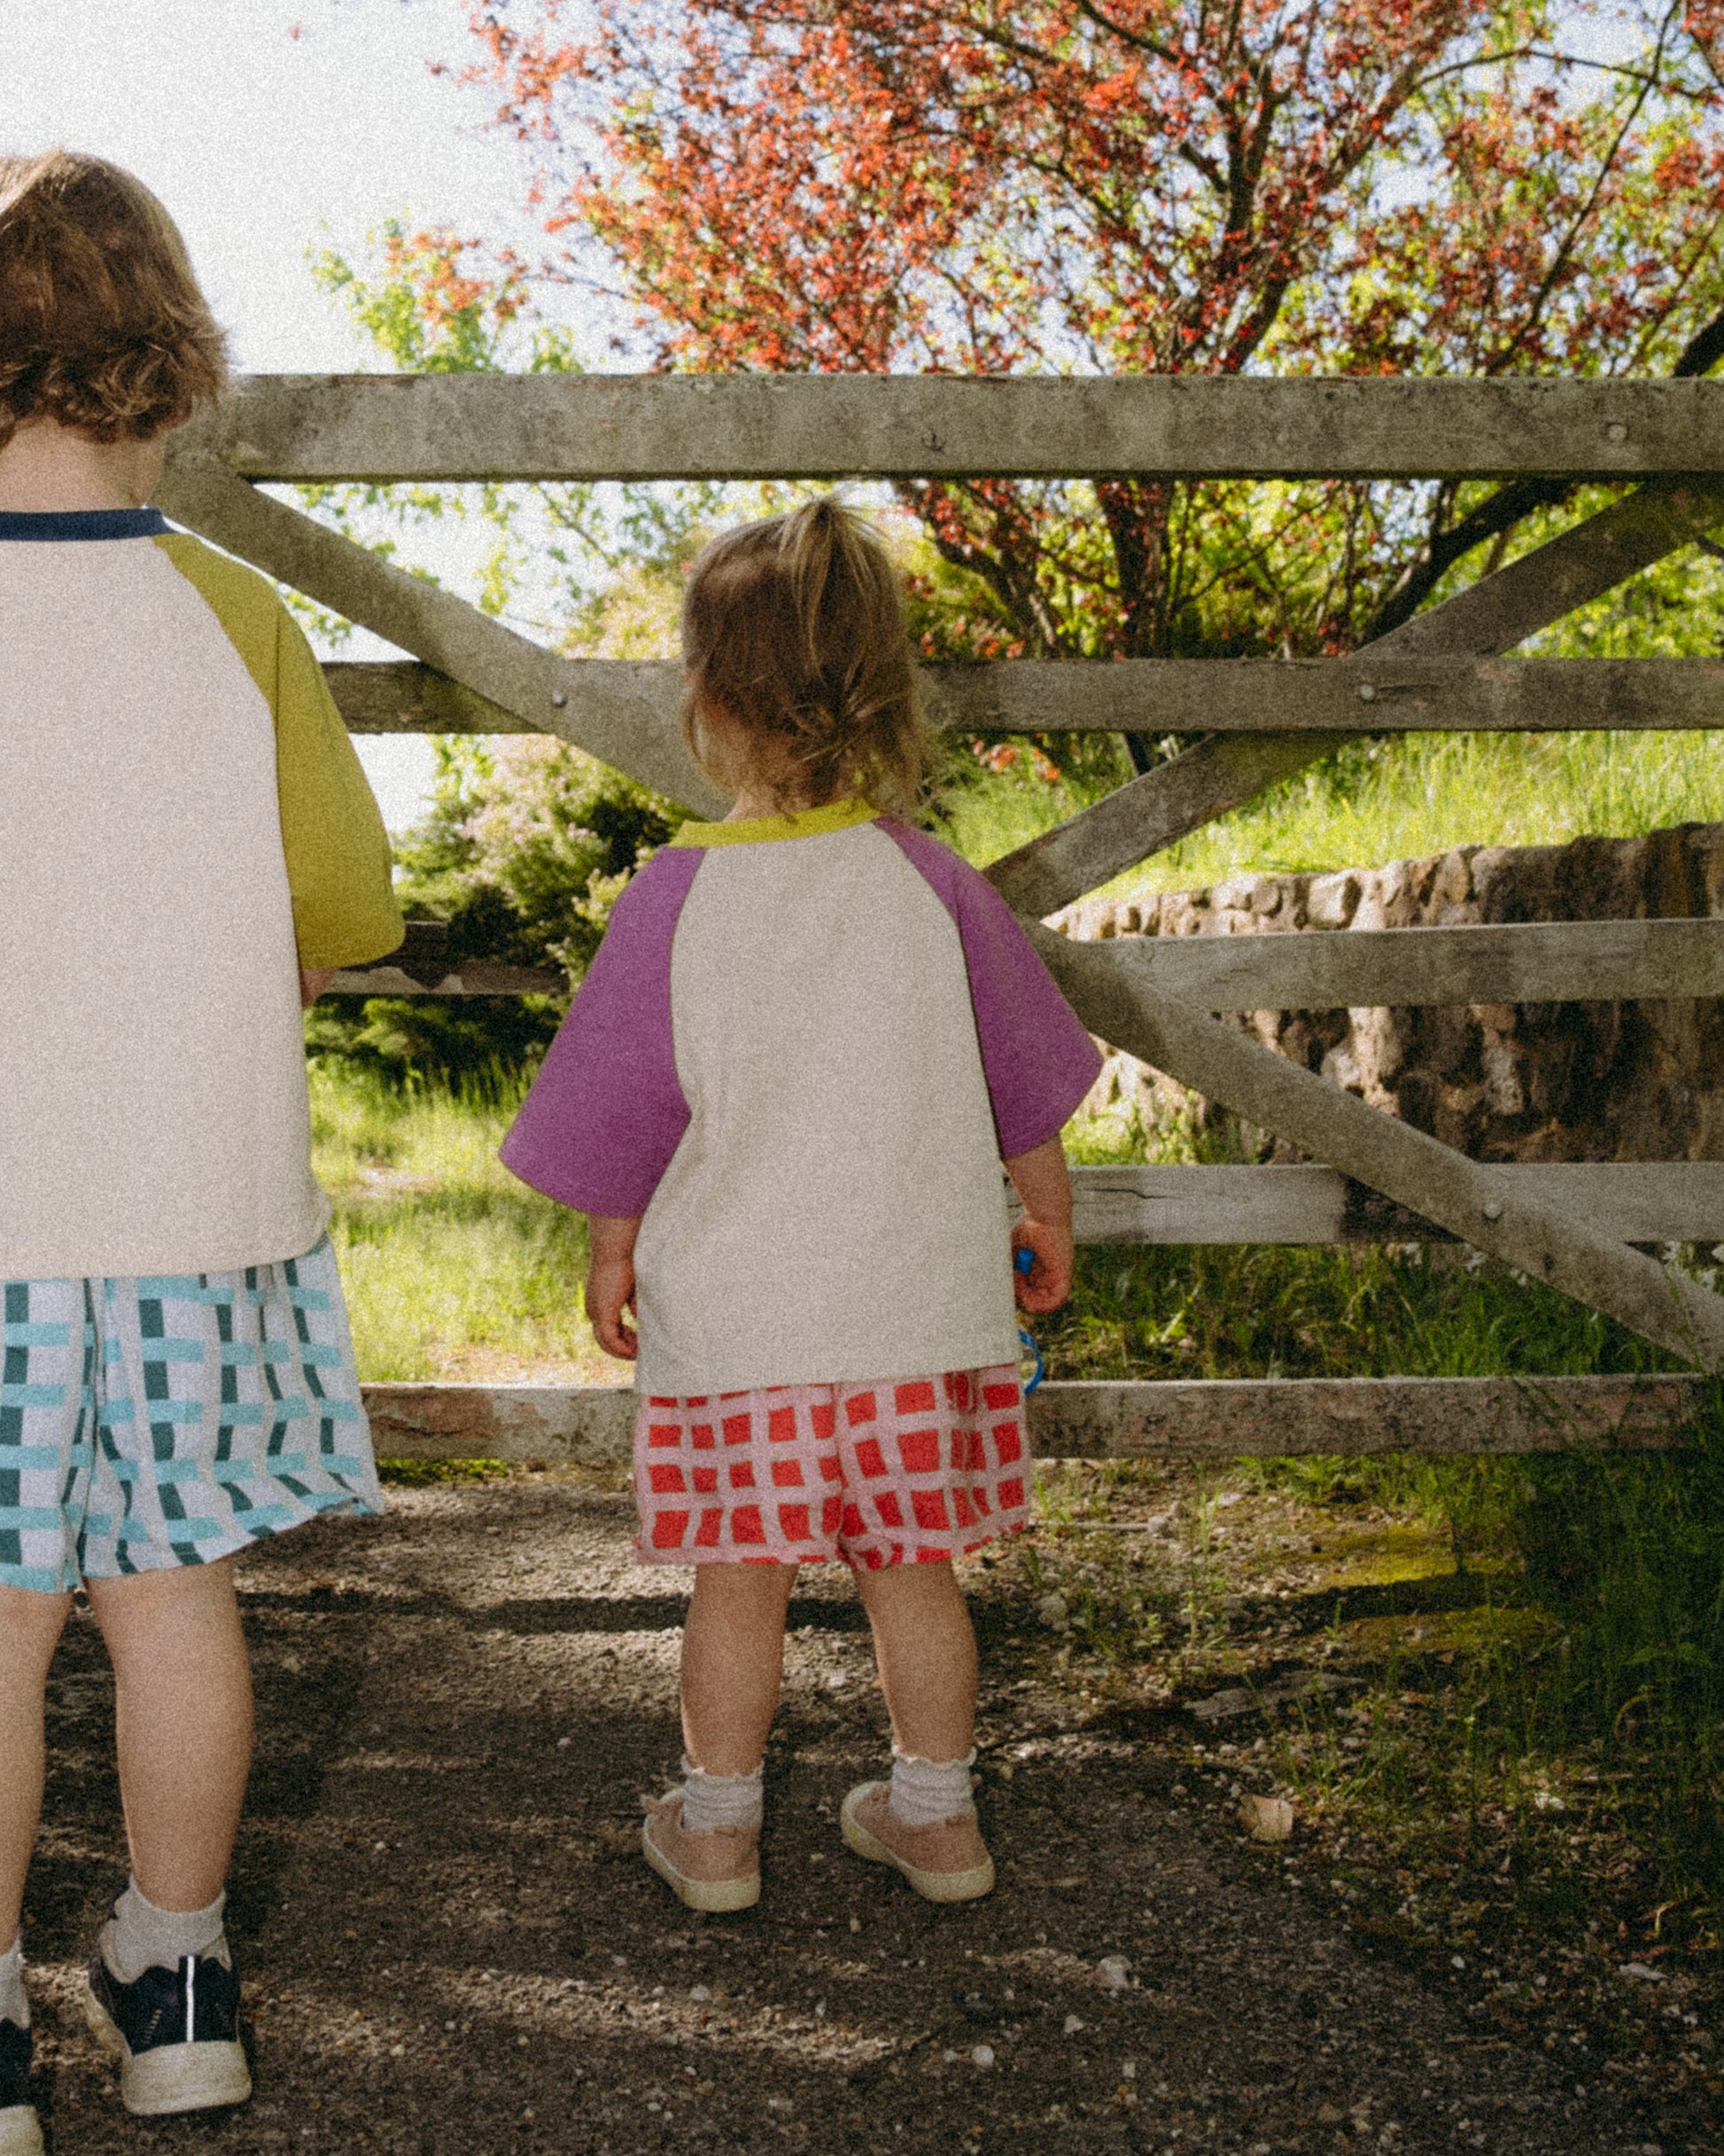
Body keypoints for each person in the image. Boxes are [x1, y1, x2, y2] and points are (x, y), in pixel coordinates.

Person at [501, 496, 1101, 1914]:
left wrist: (610, 1246)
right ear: (890, 695)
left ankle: (714, 1830)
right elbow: (1026, 1080)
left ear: (704, 697)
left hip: (744, 1327)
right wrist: (1048, 1218)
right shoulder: (930, 882)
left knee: (738, 1576)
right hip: (911, 1312)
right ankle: (936, 1816)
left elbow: (623, 1105)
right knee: (914, 1569)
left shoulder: (673, 897)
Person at [0, 151, 403, 2146]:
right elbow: (341, 901)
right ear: (169, 368)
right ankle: (175, 1972)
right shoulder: (229, 610)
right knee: (172, 1591)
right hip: (185, 1207)